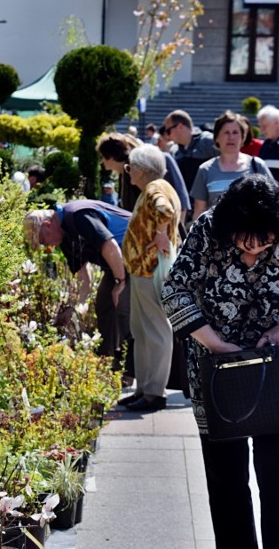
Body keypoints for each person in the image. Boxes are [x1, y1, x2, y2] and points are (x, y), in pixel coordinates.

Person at [162, 174, 279, 549]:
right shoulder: (207, 228)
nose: (252, 252)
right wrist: (215, 342)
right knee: (225, 472)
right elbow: (174, 289)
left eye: (264, 244)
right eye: (243, 243)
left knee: (277, 467)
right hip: (216, 368)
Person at [24, 201, 133, 382]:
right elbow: (84, 280)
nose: (46, 248)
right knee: (104, 305)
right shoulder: (64, 238)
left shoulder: (78, 216)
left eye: (42, 241)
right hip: (118, 262)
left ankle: (128, 371)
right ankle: (107, 365)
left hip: (137, 254)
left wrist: (120, 283)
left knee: (123, 307)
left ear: (48, 225)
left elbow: (111, 246)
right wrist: (75, 309)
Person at [119, 145, 181, 412]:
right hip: (143, 269)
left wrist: (161, 231)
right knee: (143, 330)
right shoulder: (158, 185)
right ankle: (144, 389)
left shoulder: (155, 188)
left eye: (130, 166)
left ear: (141, 169)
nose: (128, 171)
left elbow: (164, 211)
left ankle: (154, 392)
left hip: (149, 269)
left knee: (153, 329)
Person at [190, 111, 273, 221]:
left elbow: (272, 204)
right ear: (217, 137)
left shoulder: (257, 166)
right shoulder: (205, 170)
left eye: (235, 132)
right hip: (217, 235)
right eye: (226, 132)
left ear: (243, 137)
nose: (231, 137)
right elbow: (199, 212)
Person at [98, 132, 191, 221]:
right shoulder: (124, 175)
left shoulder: (163, 159)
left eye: (102, 156)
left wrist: (176, 232)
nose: (101, 161)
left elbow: (181, 198)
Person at [162, 109, 220, 193]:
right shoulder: (174, 151)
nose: (167, 135)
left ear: (180, 127)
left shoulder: (208, 142)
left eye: (168, 131)